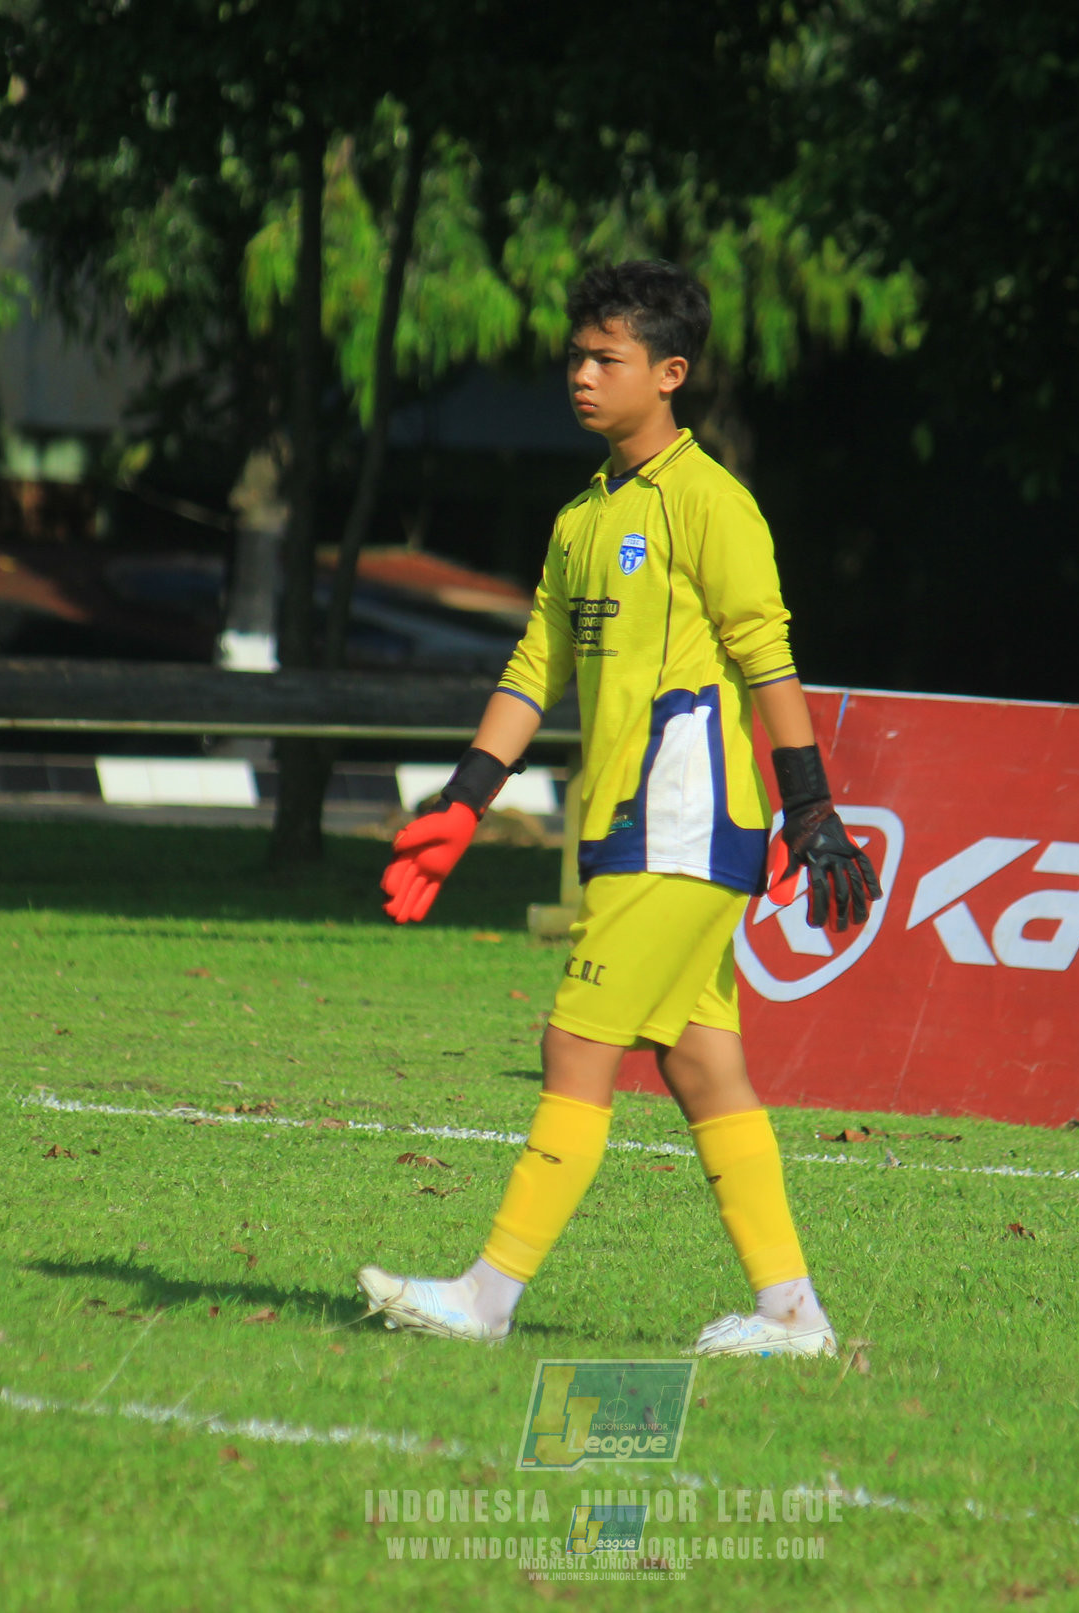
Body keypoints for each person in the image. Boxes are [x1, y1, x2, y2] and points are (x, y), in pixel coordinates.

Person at [357, 259, 879, 1357]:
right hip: (631, 830)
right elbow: (533, 665)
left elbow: (768, 658)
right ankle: (794, 1315)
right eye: (576, 357)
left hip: (684, 823)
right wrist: (462, 800)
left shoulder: (711, 501)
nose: (582, 376)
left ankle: (485, 1298)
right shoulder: (581, 517)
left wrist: (813, 811)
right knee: (703, 1066)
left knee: (573, 1046)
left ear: (669, 373)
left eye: (608, 359)